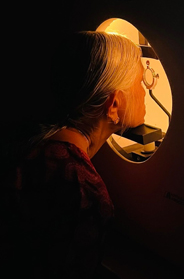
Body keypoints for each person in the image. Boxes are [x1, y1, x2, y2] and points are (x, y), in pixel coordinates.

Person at [3, 31, 146, 278]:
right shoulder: (84, 192)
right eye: (140, 83)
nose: (144, 93)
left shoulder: (29, 140)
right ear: (113, 106)